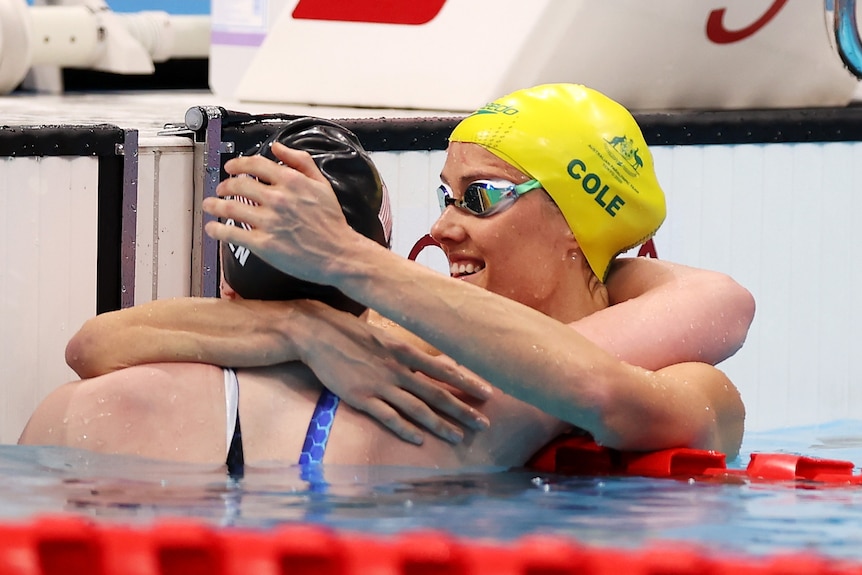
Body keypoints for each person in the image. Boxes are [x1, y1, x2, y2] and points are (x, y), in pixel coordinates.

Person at [20, 84, 751, 469]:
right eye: (444, 195)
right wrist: (298, 325)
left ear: (577, 225)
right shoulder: (393, 331)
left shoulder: (697, 382)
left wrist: (343, 257)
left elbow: (605, 393)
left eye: (484, 197)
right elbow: (97, 344)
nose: (445, 226)